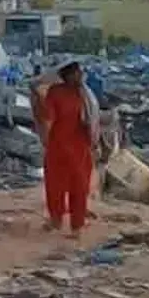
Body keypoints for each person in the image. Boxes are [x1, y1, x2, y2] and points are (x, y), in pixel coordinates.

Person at [41, 62, 98, 237]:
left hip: (79, 147)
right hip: (59, 147)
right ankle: (57, 220)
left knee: (78, 188)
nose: (81, 75)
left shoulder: (85, 93)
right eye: (77, 73)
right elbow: (48, 118)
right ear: (68, 75)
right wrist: (45, 139)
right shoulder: (56, 92)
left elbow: (93, 117)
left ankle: (76, 226)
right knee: (56, 187)